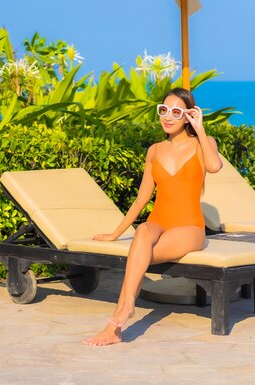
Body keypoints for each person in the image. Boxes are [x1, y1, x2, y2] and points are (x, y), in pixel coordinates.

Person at [83, 87, 223, 346]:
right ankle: (123, 314)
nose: (168, 117)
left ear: (188, 116)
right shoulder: (155, 150)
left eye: (176, 112)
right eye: (164, 110)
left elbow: (214, 167)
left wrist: (200, 128)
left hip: (189, 227)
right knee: (143, 231)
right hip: (160, 221)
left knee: (139, 253)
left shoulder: (204, 143)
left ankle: (117, 321)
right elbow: (142, 199)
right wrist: (115, 234)